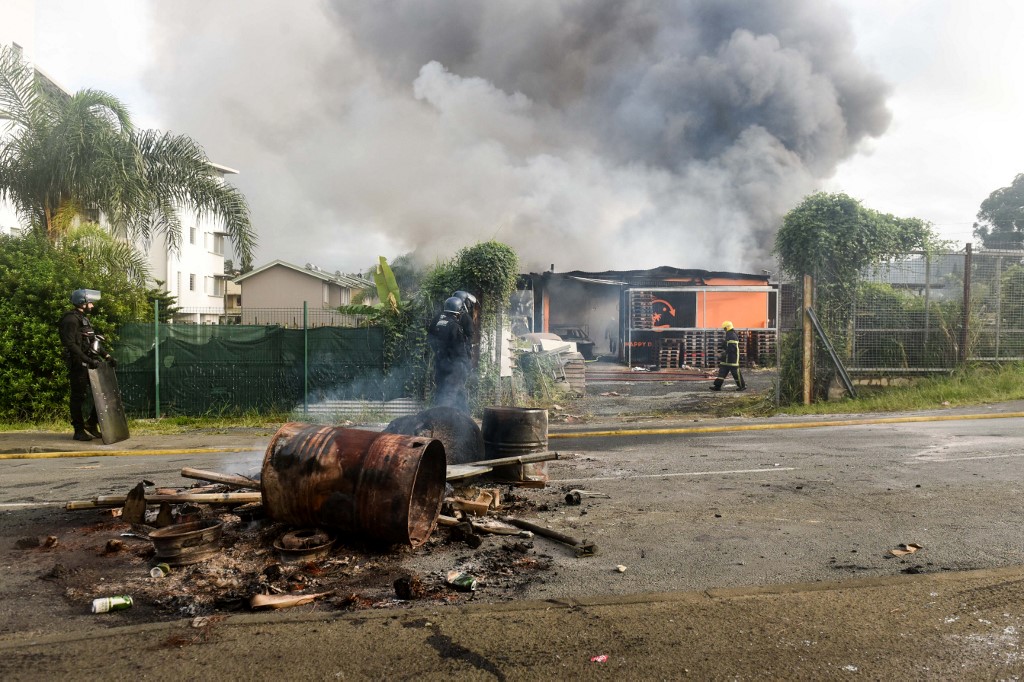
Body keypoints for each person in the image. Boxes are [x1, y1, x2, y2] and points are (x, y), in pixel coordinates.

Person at [59, 289, 116, 441]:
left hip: (90, 363)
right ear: (82, 303)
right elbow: (70, 344)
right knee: (78, 397)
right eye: (90, 302)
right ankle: (78, 431)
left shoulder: (83, 319)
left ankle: (91, 423)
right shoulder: (70, 320)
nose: (92, 305)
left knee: (104, 393)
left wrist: (107, 356)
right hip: (78, 364)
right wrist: (86, 359)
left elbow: (93, 341)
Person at [428, 296, 473, 413]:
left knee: (455, 392)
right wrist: (466, 364)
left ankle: (465, 417)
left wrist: (439, 354)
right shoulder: (455, 326)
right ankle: (441, 420)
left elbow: (431, 339)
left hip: (440, 363)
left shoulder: (438, 321)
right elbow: (460, 349)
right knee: (449, 394)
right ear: (457, 311)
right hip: (455, 366)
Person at [710, 320, 745, 391]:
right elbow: (727, 346)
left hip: (732, 358)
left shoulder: (732, 335)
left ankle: (742, 386)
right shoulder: (729, 334)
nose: (724, 330)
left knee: (736, 373)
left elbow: (731, 349)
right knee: (722, 371)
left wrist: (722, 354)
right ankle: (717, 386)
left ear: (727, 328)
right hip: (727, 358)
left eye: (724, 328)